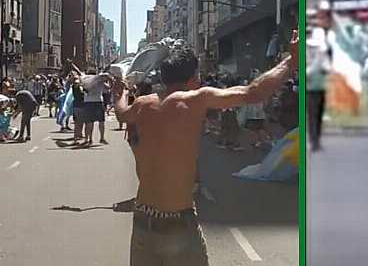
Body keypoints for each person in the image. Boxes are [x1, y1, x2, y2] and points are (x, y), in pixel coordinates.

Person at [112, 32, 297, 265]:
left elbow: (121, 113)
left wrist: (121, 94)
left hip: (143, 221)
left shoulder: (142, 104)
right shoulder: (195, 99)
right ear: (192, 77)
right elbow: (253, 92)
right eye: (198, 75)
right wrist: (291, 61)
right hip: (178, 224)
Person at [79, 70, 111, 145]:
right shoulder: (100, 81)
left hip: (88, 102)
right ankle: (102, 138)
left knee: (89, 122)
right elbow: (108, 87)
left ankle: (89, 139)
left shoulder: (85, 80)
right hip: (98, 102)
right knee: (101, 121)